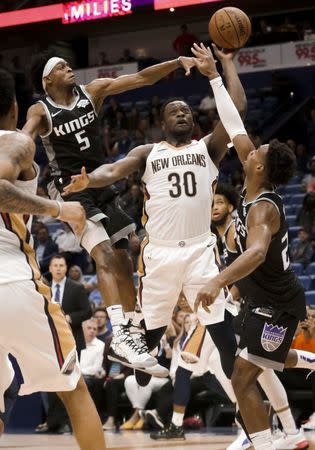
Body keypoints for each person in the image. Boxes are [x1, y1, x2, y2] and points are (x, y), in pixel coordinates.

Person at [62, 43, 246, 384]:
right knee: (146, 346)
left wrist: (224, 68)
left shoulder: (207, 148)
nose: (183, 114)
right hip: (159, 254)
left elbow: (237, 111)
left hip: (200, 252)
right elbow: (112, 172)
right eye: (175, 111)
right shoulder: (147, 152)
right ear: (162, 121)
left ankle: (248, 407)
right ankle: (135, 364)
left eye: (187, 112)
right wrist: (90, 179)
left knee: (223, 335)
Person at [22, 50, 196, 370]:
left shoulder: (93, 92)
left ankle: (129, 330)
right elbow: (24, 139)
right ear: (48, 80)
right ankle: (118, 333)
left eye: (67, 62)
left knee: (123, 254)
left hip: (101, 182)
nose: (68, 66)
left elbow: (141, 78)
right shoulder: (41, 109)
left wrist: (174, 62)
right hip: (71, 190)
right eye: (60, 66)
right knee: (102, 253)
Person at [192, 44, 313, 450]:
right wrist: (220, 68)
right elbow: (233, 120)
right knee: (258, 367)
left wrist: (218, 279)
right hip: (260, 300)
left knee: (242, 376)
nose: (251, 146)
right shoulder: (252, 174)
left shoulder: (263, 207)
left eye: (257, 150)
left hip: (278, 303)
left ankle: (262, 444)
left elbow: (258, 253)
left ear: (259, 166)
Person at [0, 69, 105, 450]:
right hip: (13, 282)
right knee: (73, 388)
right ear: (13, 107)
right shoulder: (14, 142)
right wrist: (62, 210)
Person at [212, 183, 308, 450]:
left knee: (248, 370)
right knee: (262, 366)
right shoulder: (221, 236)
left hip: (267, 303)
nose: (214, 208)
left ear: (231, 206)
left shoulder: (236, 231)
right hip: (255, 303)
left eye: (219, 202)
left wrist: (227, 293)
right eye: (211, 204)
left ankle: (257, 432)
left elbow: (251, 265)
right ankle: (289, 431)